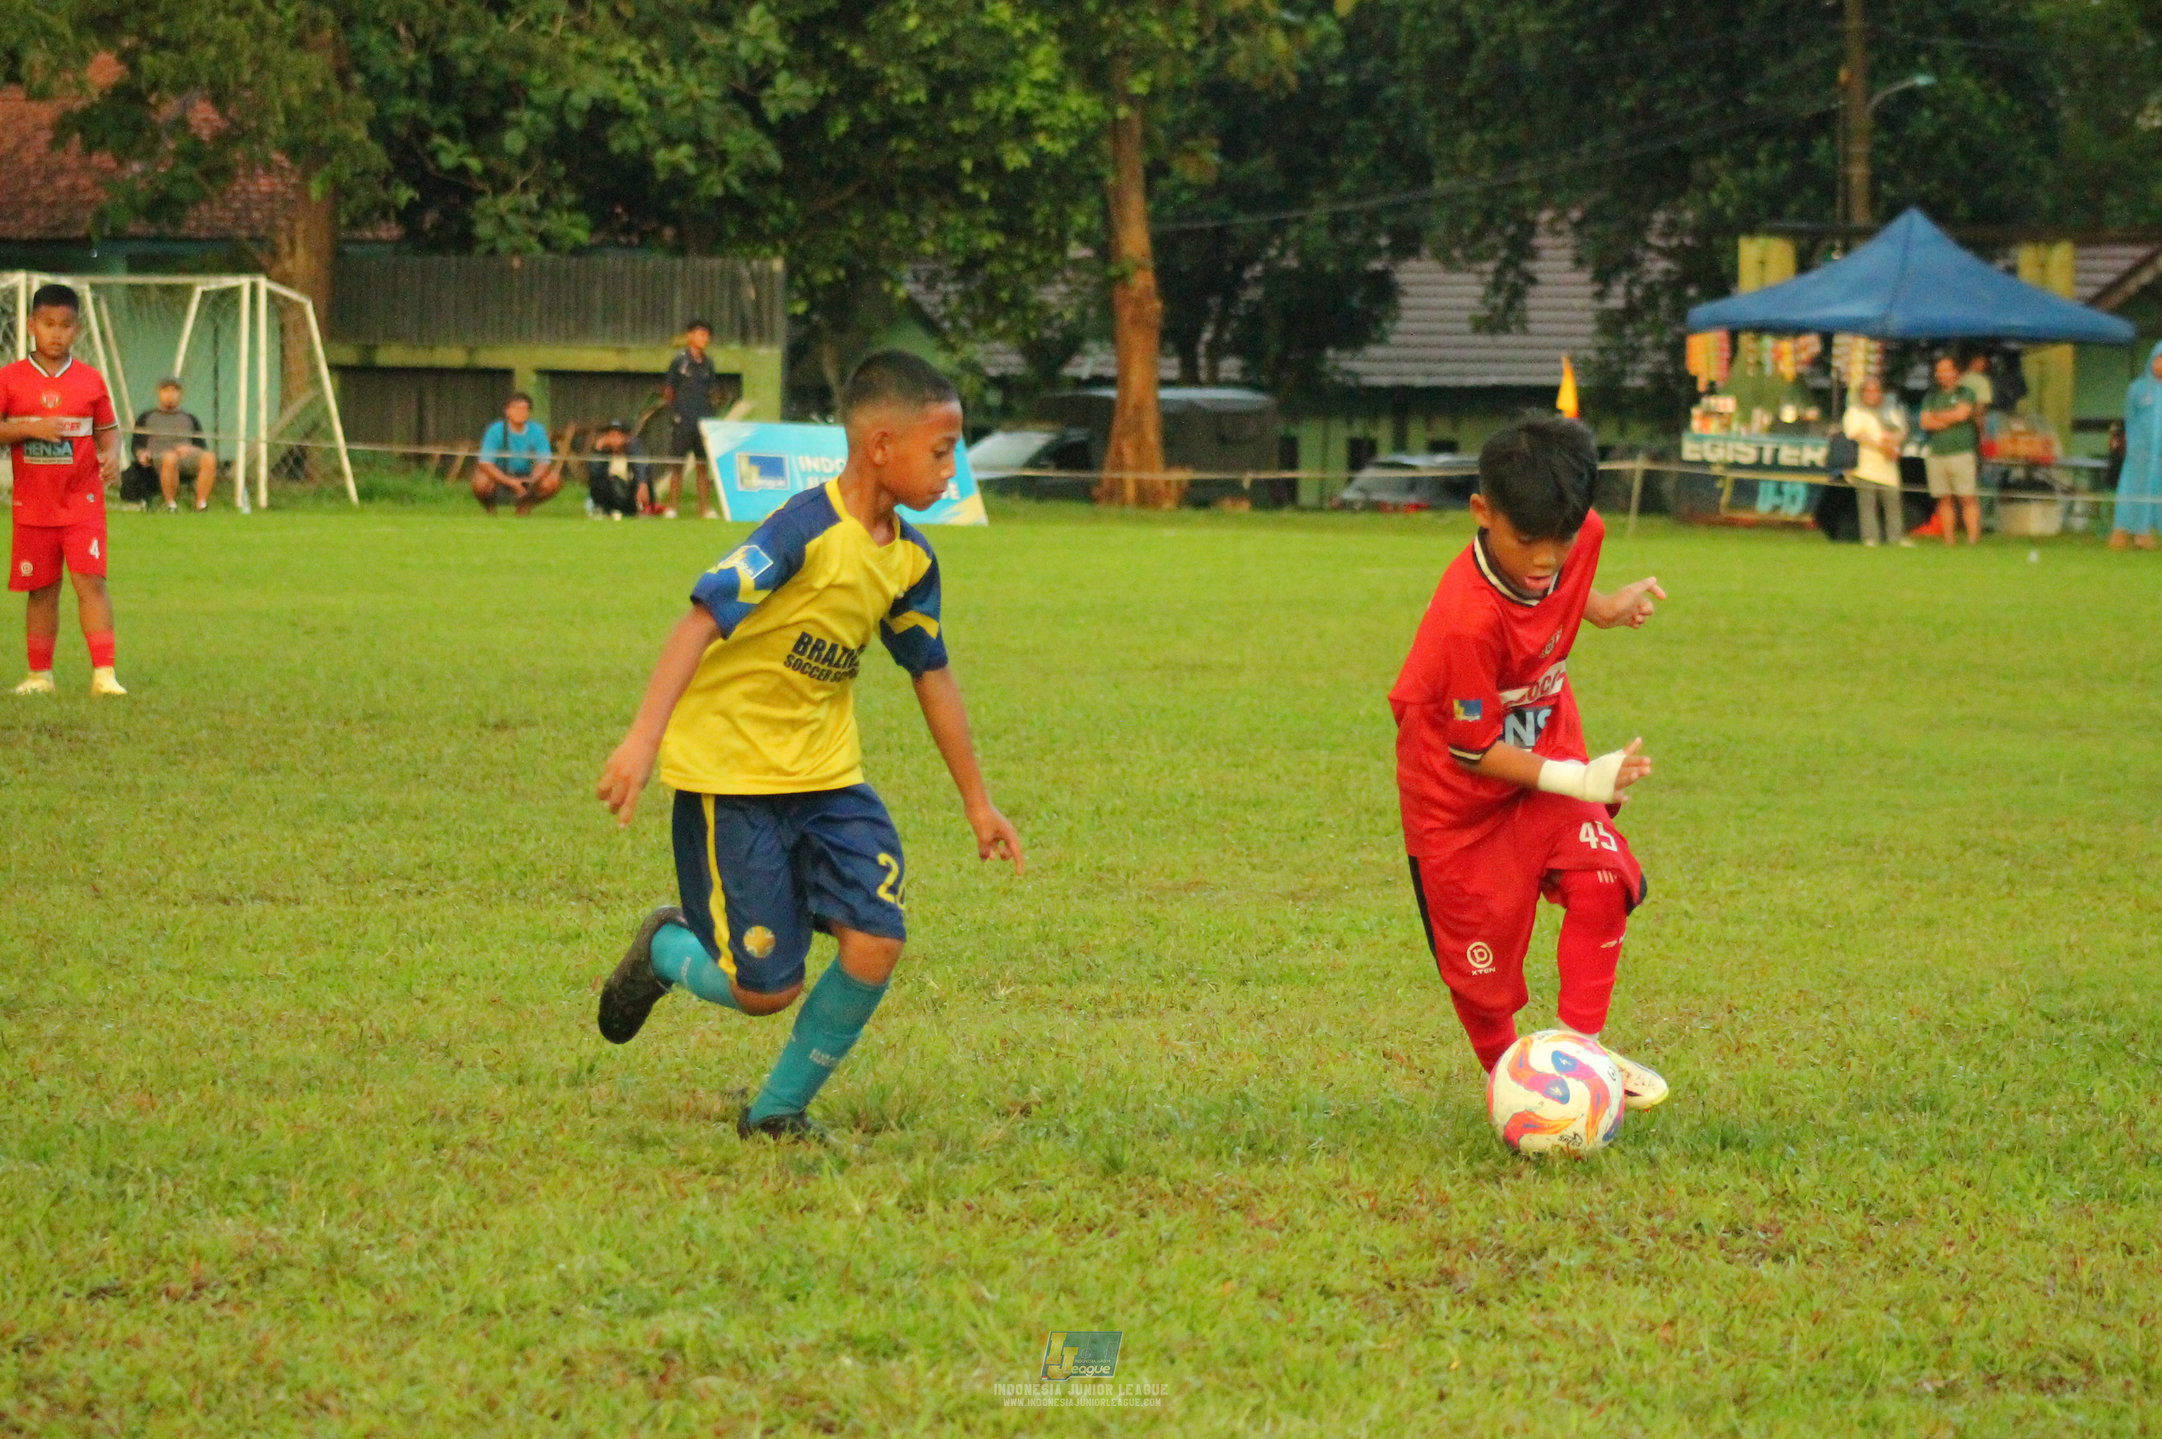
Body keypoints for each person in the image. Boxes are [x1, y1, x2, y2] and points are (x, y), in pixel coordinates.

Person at [593, 350, 1024, 1140]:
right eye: (941, 452)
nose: (952, 471)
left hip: (828, 781)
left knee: (878, 939)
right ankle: (664, 950)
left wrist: (978, 802)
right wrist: (641, 740)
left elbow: (931, 672)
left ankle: (775, 1112)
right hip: (733, 779)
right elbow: (699, 621)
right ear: (881, 445)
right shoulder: (802, 530)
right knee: (765, 991)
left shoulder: (910, 560)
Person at [1389, 417, 1668, 1107]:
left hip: (1544, 758)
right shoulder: (1466, 620)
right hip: (1457, 799)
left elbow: (1563, 579)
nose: (1546, 559)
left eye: (1560, 542)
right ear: (1482, 512)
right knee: (1481, 984)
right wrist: (1580, 779)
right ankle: (1517, 1087)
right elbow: (1473, 748)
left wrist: (1600, 609)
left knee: (1602, 880)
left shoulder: (1575, 529)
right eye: (1527, 542)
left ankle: (1580, 1059)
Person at [0, 283, 125, 696]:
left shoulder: (90, 380)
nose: (56, 333)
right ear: (31, 325)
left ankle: (104, 675)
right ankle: (40, 676)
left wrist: (111, 454)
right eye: (48, 324)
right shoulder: (9, 379)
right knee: (41, 590)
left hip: (82, 503)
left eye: (66, 325)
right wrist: (30, 428)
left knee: (91, 582)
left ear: (78, 330)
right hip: (33, 506)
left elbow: (109, 430)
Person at [1917, 354, 1981, 546]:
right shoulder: (1931, 396)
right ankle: (1949, 539)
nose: (1942, 374)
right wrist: (1947, 417)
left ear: (1956, 372)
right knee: (1944, 499)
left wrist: (1937, 417)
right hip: (1937, 453)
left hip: (1961, 452)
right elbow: (1925, 422)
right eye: (1939, 370)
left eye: (1946, 370)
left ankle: (1973, 538)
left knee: (1967, 497)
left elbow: (1961, 414)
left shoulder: (1966, 393)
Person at [1842, 376, 1912, 547]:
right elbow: (1856, 434)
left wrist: (1893, 443)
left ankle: (1896, 537)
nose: (1872, 395)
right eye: (1868, 391)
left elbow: (1901, 430)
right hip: (1865, 465)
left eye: (1876, 391)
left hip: (1889, 464)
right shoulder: (1855, 411)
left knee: (1893, 502)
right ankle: (1870, 538)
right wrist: (1882, 446)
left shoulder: (1890, 411)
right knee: (1868, 504)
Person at [661, 319, 720, 519]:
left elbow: (712, 389)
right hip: (683, 421)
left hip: (703, 422)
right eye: (699, 334)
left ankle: (704, 508)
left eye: (706, 335)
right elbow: (669, 389)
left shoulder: (708, 363)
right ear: (690, 336)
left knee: (703, 466)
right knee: (677, 465)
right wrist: (677, 411)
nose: (704, 339)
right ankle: (672, 507)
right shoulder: (680, 361)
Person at [132, 378, 217, 512]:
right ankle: (170, 504)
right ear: (159, 393)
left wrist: (190, 449)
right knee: (170, 458)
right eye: (166, 391)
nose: (170, 395)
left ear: (180, 394)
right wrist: (141, 454)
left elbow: (201, 445)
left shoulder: (190, 418)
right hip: (159, 456)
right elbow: (137, 443)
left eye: (174, 391)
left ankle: (201, 504)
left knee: (209, 458)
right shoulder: (146, 417)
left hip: (186, 457)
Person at [473, 393, 561, 515]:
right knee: (481, 482)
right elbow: (485, 463)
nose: (520, 412)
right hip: (499, 474)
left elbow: (544, 462)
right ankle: (490, 510)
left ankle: (525, 505)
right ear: (507, 411)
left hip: (527, 474)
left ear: (529, 412)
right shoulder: (495, 430)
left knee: (553, 481)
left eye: (524, 409)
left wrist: (529, 481)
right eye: (515, 408)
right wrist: (510, 482)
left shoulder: (538, 430)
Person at [2111, 341, 2162, 550]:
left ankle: (2146, 533)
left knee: (2155, 492)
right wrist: (2133, 446)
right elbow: (2130, 418)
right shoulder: (2137, 388)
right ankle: (2123, 532)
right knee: (2133, 490)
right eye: (2159, 359)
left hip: (2159, 455)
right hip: (2139, 453)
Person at [578, 419, 651, 519]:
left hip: (630, 497)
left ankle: (642, 509)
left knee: (644, 480)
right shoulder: (603, 453)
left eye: (617, 435)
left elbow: (641, 468)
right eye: (611, 435)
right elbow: (594, 473)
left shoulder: (634, 451)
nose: (614, 440)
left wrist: (642, 483)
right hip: (611, 497)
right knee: (600, 481)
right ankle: (601, 509)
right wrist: (598, 451)